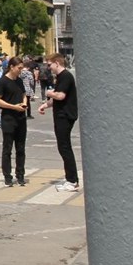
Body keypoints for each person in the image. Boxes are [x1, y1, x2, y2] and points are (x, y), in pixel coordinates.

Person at [39, 53, 80, 192]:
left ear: (57, 63)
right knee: (63, 146)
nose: (48, 68)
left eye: (49, 65)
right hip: (61, 115)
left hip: (65, 116)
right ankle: (71, 178)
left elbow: (60, 96)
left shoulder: (66, 76)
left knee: (64, 147)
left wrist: (50, 93)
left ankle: (72, 180)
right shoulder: (61, 77)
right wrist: (46, 105)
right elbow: (57, 97)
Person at [0, 56, 29, 186]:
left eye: (22, 68)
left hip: (21, 118)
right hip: (8, 118)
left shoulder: (19, 81)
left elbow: (24, 95)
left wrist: (24, 103)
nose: (21, 70)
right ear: (11, 67)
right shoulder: (2, 82)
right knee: (7, 148)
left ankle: (20, 174)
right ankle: (7, 176)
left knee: (21, 148)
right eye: (19, 68)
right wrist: (13, 106)